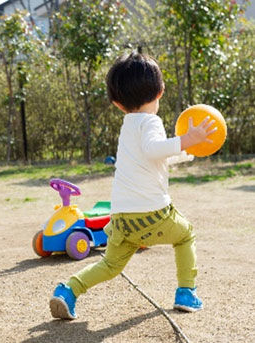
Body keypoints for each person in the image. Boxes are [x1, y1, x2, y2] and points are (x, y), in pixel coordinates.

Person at [49, 52, 217, 319]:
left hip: (122, 217)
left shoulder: (128, 125)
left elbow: (153, 157)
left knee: (111, 264)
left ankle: (68, 290)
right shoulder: (151, 121)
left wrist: (187, 152)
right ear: (161, 91)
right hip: (153, 214)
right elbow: (153, 149)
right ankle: (187, 292)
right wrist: (186, 139)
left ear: (117, 103)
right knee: (185, 235)